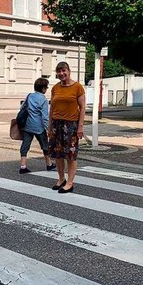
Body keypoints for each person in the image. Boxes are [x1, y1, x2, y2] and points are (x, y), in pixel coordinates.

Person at [48, 61, 85, 193]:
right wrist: (50, 126)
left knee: (70, 154)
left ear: (69, 71)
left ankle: (70, 182)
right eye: (59, 71)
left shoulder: (77, 87)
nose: (61, 73)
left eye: (64, 71)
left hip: (71, 125)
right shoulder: (55, 88)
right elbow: (52, 108)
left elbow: (82, 108)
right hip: (56, 124)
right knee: (57, 154)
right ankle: (61, 178)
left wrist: (80, 126)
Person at [19, 78, 56, 174]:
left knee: (25, 145)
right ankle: (49, 164)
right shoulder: (43, 99)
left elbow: (22, 108)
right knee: (44, 145)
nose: (47, 89)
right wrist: (49, 129)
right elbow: (45, 116)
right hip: (39, 127)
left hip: (28, 125)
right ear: (43, 89)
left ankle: (23, 166)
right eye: (46, 87)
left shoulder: (29, 96)